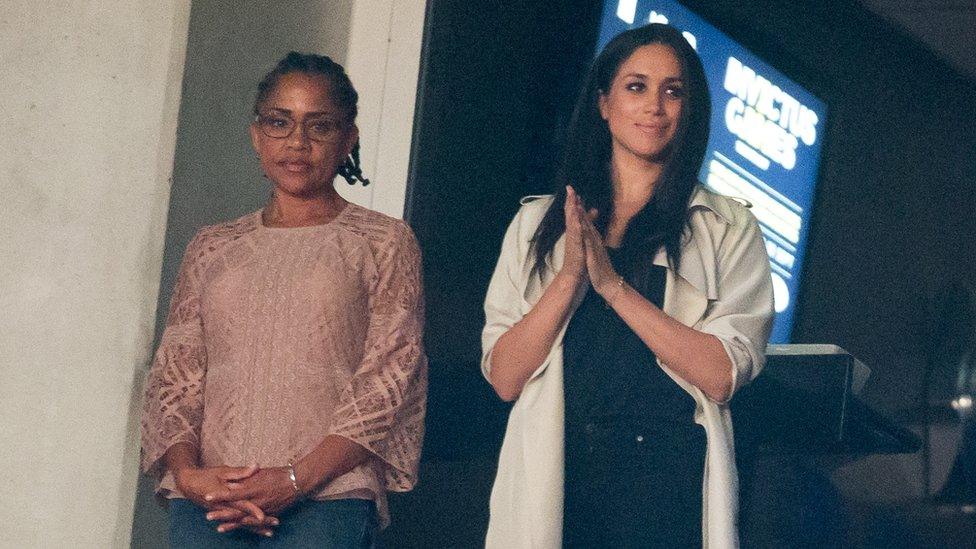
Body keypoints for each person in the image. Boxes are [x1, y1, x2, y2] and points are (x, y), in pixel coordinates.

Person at [481, 24, 774, 548]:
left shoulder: (728, 227)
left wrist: (614, 288)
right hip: (561, 477)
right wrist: (571, 277)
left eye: (673, 90)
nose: (654, 107)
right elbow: (504, 377)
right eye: (636, 86)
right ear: (603, 103)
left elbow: (721, 374)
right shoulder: (536, 225)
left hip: (667, 489)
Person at [141, 52, 427, 548]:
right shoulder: (212, 246)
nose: (297, 142)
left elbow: (389, 378)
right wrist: (189, 477)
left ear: (347, 140)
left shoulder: (384, 241)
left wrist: (293, 481)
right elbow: (176, 373)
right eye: (279, 122)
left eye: (319, 126)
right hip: (209, 499)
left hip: (326, 503)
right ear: (256, 136)